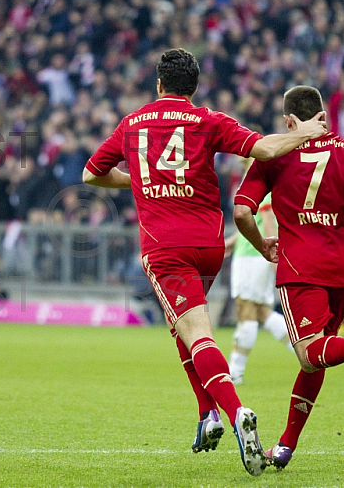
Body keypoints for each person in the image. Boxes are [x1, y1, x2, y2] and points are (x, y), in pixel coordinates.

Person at [82, 49, 328, 476]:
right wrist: (305, 132)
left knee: (196, 333)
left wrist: (137, 180)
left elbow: (91, 173)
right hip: (209, 245)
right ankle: (206, 413)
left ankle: (233, 412)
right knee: (184, 324)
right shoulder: (208, 120)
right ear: (194, 88)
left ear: (159, 84)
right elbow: (264, 148)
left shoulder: (132, 123)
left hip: (166, 247)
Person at [233, 85, 344, 470]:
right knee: (316, 358)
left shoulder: (273, 155)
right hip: (342, 270)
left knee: (310, 353)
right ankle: (285, 446)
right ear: (322, 116)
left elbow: (242, 212)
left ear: (289, 121)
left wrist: (261, 244)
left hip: (300, 269)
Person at [225, 191, 293, 385]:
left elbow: (268, 219)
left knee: (245, 310)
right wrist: (232, 242)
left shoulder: (261, 184)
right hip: (254, 254)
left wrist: (275, 257)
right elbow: (253, 223)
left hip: (252, 257)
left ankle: (235, 372)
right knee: (263, 313)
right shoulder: (264, 185)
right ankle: (306, 352)